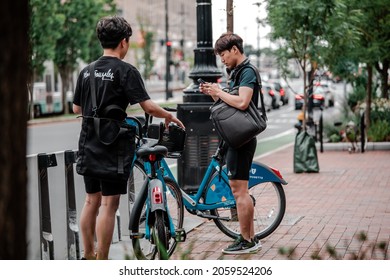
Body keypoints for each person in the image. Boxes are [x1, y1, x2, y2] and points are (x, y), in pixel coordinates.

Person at [72, 15, 184, 260]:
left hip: (89, 140)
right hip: (113, 142)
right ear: (124, 42)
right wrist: (168, 116)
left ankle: (88, 255)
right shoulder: (126, 71)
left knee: (91, 201)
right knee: (108, 205)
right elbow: (147, 106)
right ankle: (102, 259)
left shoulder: (86, 72)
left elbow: (76, 109)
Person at [199, 33, 261, 255]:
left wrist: (219, 91)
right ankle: (250, 238)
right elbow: (231, 104)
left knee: (239, 191)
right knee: (239, 190)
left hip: (242, 139)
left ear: (235, 49)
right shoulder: (236, 72)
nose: (222, 59)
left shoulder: (247, 71)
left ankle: (247, 241)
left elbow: (243, 103)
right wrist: (214, 94)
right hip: (236, 136)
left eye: (223, 54)